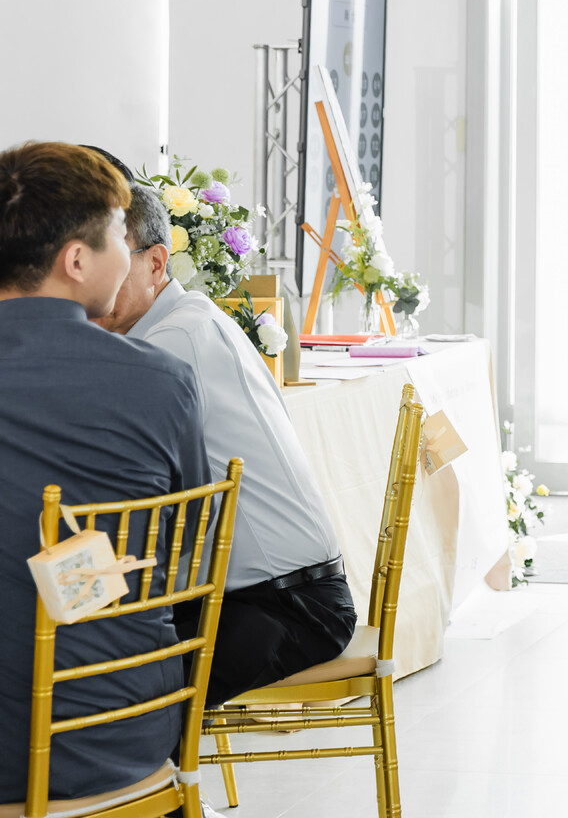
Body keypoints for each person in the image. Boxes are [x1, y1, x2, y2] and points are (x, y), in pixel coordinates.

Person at [0, 142, 209, 805]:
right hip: (121, 727)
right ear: (77, 260)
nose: (130, 251)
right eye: (121, 233)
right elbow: (186, 551)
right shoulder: (163, 381)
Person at [95, 185, 354, 707]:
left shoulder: (172, 341)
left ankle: (158, 762)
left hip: (285, 605)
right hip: (269, 591)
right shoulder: (188, 318)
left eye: (108, 264)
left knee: (111, 689)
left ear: (155, 262)